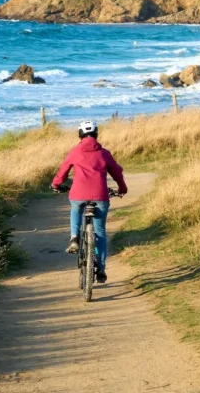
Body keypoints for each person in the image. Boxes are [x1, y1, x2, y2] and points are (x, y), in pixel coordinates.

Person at [51, 120, 128, 284]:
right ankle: (101, 268)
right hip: (100, 196)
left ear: (80, 135)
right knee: (100, 232)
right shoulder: (104, 153)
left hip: (78, 194)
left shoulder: (74, 152)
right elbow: (117, 173)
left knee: (76, 209)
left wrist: (56, 185)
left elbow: (63, 171)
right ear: (96, 134)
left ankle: (74, 238)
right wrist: (122, 189)